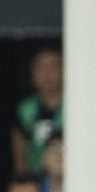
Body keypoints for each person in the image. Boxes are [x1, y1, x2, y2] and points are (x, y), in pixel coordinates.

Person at [12, 47, 63, 176]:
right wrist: (23, 179)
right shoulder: (26, 108)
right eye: (40, 67)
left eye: (53, 66)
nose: (47, 74)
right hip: (36, 180)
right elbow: (19, 146)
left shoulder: (77, 106)